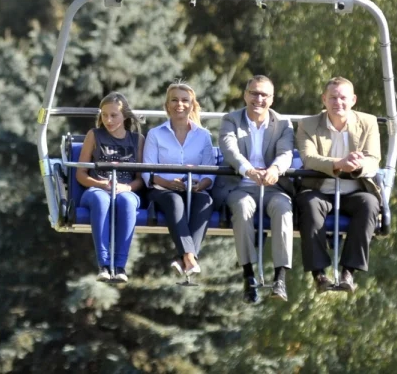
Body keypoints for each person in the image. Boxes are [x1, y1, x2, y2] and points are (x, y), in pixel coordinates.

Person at [295, 77, 382, 294]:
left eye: (343, 97)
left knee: (370, 203)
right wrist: (337, 164)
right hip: (320, 188)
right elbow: (309, 158)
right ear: (324, 99)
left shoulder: (368, 123)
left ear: (353, 100)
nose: (338, 102)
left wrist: (357, 165)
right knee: (308, 204)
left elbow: (373, 158)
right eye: (332, 97)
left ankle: (348, 272)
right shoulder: (308, 125)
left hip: (354, 189)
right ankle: (319, 274)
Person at [215, 75, 295, 303]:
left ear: (271, 99)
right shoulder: (231, 119)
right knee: (241, 208)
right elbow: (230, 149)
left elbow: (286, 152)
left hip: (273, 186)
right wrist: (248, 170)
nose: (258, 99)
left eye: (264, 95)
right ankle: (248, 275)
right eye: (254, 93)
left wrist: (275, 170)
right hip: (241, 185)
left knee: (283, 208)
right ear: (245, 95)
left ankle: (280, 278)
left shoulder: (282, 124)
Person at [142, 82, 216, 279]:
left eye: (185, 100)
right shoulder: (155, 134)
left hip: (195, 190)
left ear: (192, 105)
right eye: (174, 100)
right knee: (175, 200)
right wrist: (167, 183)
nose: (179, 104)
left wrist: (201, 185)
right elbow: (147, 171)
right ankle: (191, 259)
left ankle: (183, 257)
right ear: (167, 105)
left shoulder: (203, 136)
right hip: (161, 189)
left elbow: (210, 172)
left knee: (205, 201)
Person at [76, 92, 146, 283]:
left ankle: (120, 266)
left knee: (126, 201)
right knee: (101, 199)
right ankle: (104, 265)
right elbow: (80, 174)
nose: (108, 120)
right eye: (104, 115)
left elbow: (140, 179)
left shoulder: (137, 140)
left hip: (125, 190)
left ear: (124, 116)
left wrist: (127, 188)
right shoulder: (94, 135)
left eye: (113, 115)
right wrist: (101, 184)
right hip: (96, 190)